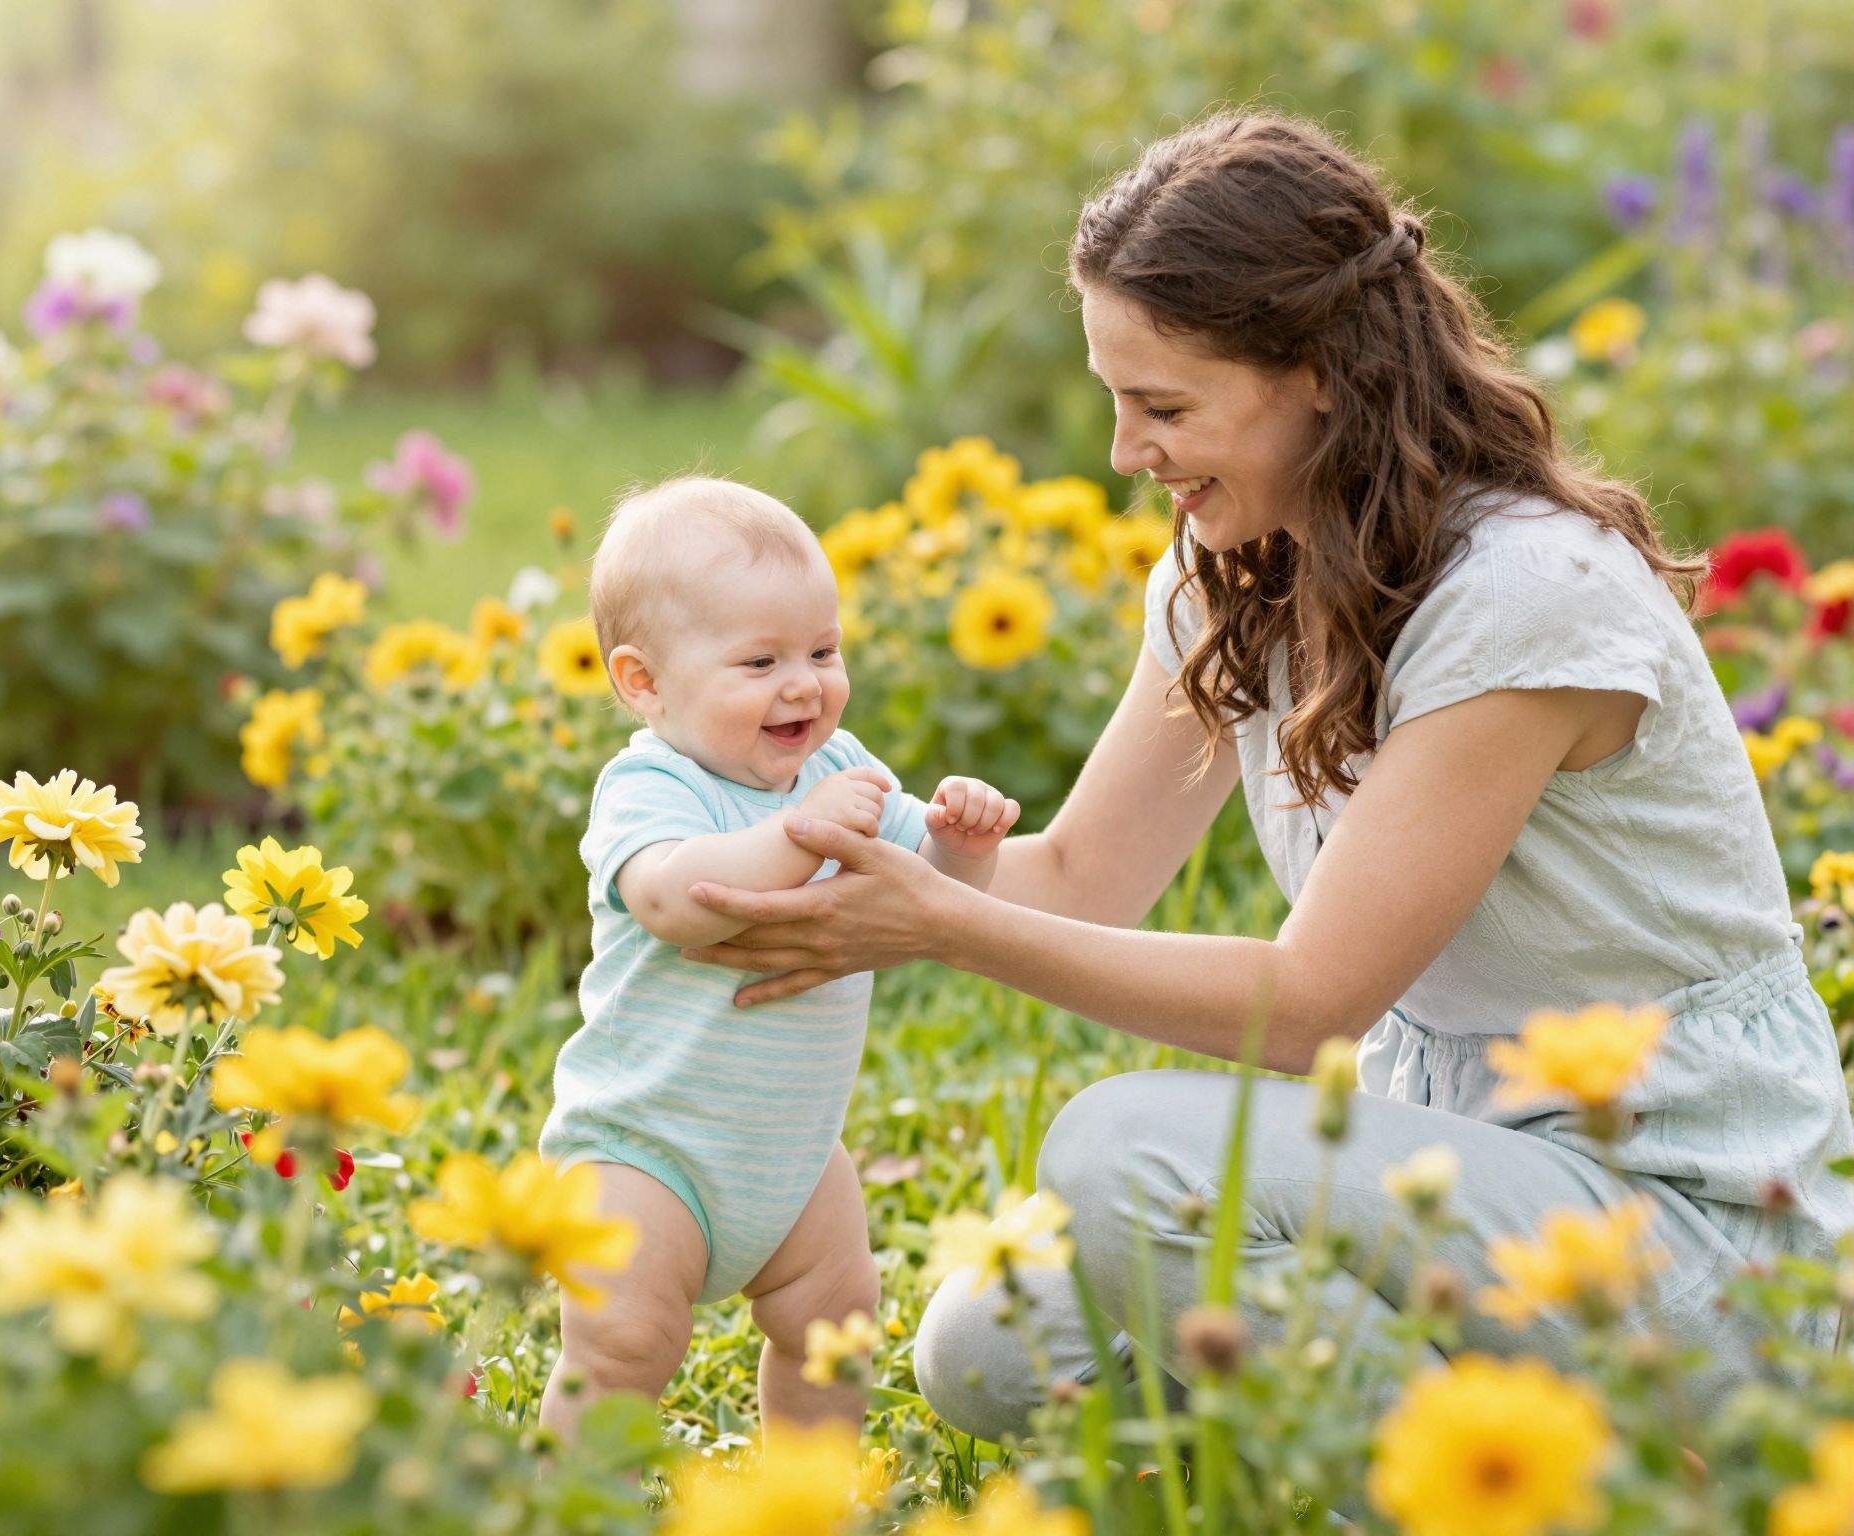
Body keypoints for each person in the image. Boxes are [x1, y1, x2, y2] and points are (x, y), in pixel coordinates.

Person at [675, 112, 1854, 1437]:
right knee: (989, 1350)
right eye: (1115, 399)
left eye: (1164, 407)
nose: (1125, 453)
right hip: (1463, 1181)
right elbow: (1078, 877)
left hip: (1690, 1219)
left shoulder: (1525, 596)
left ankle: (1516, 1487)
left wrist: (940, 924)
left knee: (1120, 1156)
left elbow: (1311, 1009)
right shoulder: (1235, 572)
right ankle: (1487, 1420)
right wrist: (801, 858)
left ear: (1321, 376)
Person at [535, 477, 1021, 1439]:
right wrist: (802, 834)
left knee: (835, 1327)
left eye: (822, 651)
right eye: (760, 661)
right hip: (645, 1151)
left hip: (793, 1157)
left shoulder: (840, 771)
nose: (803, 684)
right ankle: (574, 1498)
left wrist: (963, 846)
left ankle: (810, 1492)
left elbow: (932, 902)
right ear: (644, 683)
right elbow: (674, 897)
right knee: (624, 1343)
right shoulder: (651, 785)